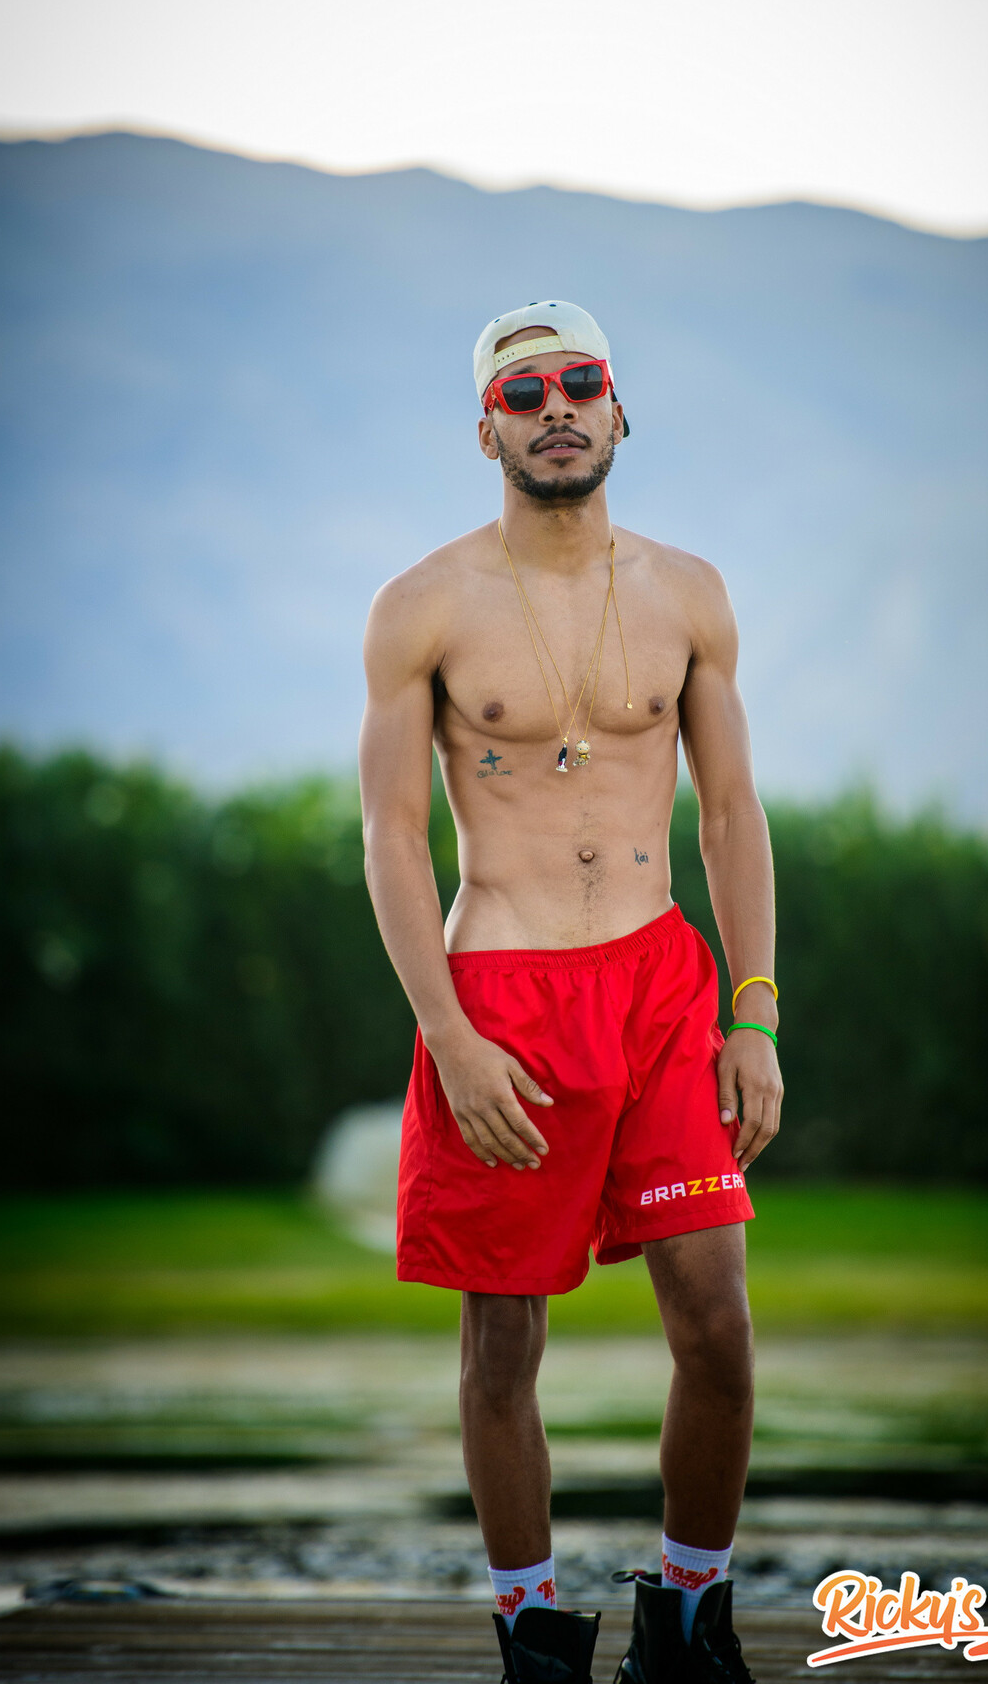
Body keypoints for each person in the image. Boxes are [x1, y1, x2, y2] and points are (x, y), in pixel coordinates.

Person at [359, 300, 782, 1684]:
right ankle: (533, 1635)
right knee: (503, 1343)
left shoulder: (688, 593)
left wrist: (755, 1014)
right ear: (485, 427)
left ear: (618, 407)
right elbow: (390, 839)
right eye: (524, 392)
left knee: (718, 1326)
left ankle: (689, 1622)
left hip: (661, 985)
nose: (556, 410)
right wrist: (448, 1035)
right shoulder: (424, 606)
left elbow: (730, 813)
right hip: (502, 999)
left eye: (578, 383)